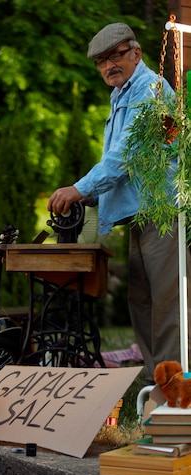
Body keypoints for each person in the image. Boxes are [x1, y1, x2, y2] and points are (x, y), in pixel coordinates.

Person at [47, 22, 190, 385]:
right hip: (140, 214)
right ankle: (156, 379)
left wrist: (78, 189)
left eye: (115, 56)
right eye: (101, 61)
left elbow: (126, 156)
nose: (108, 66)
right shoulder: (121, 93)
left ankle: (172, 390)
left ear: (136, 53)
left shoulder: (150, 89)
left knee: (167, 305)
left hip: (163, 210)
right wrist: (91, 194)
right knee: (141, 301)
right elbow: (124, 163)